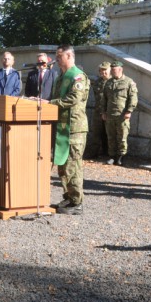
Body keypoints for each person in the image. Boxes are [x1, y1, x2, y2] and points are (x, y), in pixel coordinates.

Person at [47, 44, 90, 215]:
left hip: (75, 128)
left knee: (73, 165)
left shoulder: (78, 76)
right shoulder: (60, 77)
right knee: (63, 165)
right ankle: (68, 196)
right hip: (61, 127)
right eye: (56, 56)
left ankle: (77, 202)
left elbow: (74, 98)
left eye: (60, 56)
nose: (57, 59)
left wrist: (50, 104)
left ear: (69, 56)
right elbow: (56, 98)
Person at [100, 61, 137, 166]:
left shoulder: (129, 82)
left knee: (122, 137)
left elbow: (133, 98)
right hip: (110, 114)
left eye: (114, 70)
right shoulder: (109, 82)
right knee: (110, 136)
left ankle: (121, 157)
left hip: (122, 115)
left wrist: (129, 111)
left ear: (120, 69)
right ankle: (111, 156)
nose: (112, 71)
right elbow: (104, 99)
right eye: (111, 69)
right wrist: (103, 112)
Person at [87, 61, 111, 159]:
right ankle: (94, 153)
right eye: (101, 70)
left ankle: (110, 154)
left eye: (105, 70)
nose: (102, 72)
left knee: (110, 134)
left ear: (110, 70)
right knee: (96, 133)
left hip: (110, 112)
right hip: (98, 111)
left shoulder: (114, 82)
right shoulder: (97, 82)